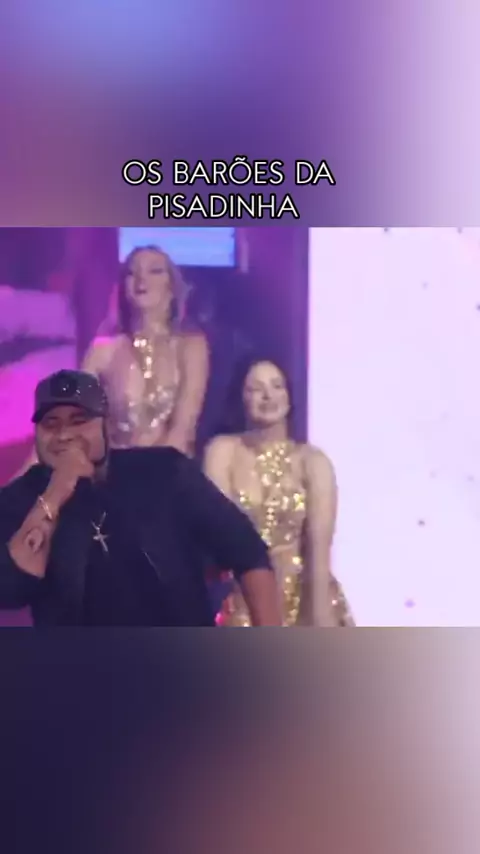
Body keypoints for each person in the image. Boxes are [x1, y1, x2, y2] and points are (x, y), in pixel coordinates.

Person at [0, 370, 281, 627]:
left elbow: (247, 550)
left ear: (105, 424)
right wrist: (55, 492)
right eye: (51, 424)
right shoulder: (20, 498)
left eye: (79, 421)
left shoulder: (164, 471)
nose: (64, 435)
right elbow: (9, 588)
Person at [14, 244, 209, 475]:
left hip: (170, 473)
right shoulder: (105, 350)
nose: (142, 279)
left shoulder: (191, 346)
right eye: (132, 272)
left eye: (155, 271)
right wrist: (17, 484)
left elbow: (183, 428)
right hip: (116, 476)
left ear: (172, 286)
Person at [204, 357, 354, 627]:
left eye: (277, 386)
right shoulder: (223, 452)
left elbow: (318, 554)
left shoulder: (312, 462)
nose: (268, 396)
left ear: (289, 396)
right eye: (255, 388)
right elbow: (217, 540)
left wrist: (317, 622)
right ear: (240, 397)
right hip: (242, 598)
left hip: (304, 597)